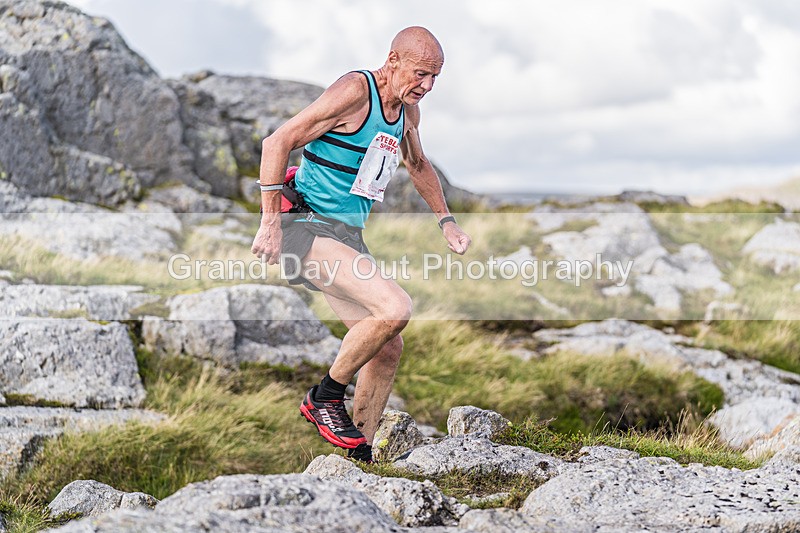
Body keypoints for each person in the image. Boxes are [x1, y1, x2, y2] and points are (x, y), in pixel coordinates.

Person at [251, 26, 471, 463]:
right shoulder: (356, 90)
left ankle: (361, 455)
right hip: (306, 226)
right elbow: (277, 142)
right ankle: (325, 397)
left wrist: (445, 221)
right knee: (395, 309)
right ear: (393, 61)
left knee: (387, 345)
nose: (426, 86)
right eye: (420, 74)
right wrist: (269, 223)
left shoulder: (407, 113)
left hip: (345, 237)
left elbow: (419, 164)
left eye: (434, 79)